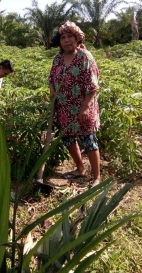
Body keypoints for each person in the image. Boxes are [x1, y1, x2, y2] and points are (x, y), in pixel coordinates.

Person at [48, 21, 101, 187]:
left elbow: (92, 85)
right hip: (64, 107)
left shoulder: (85, 57)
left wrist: (85, 108)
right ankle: (80, 169)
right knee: (69, 139)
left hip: (83, 106)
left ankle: (96, 178)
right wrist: (52, 92)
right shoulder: (58, 58)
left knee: (89, 139)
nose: (66, 40)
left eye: (70, 36)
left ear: (77, 38)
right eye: (63, 37)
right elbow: (51, 78)